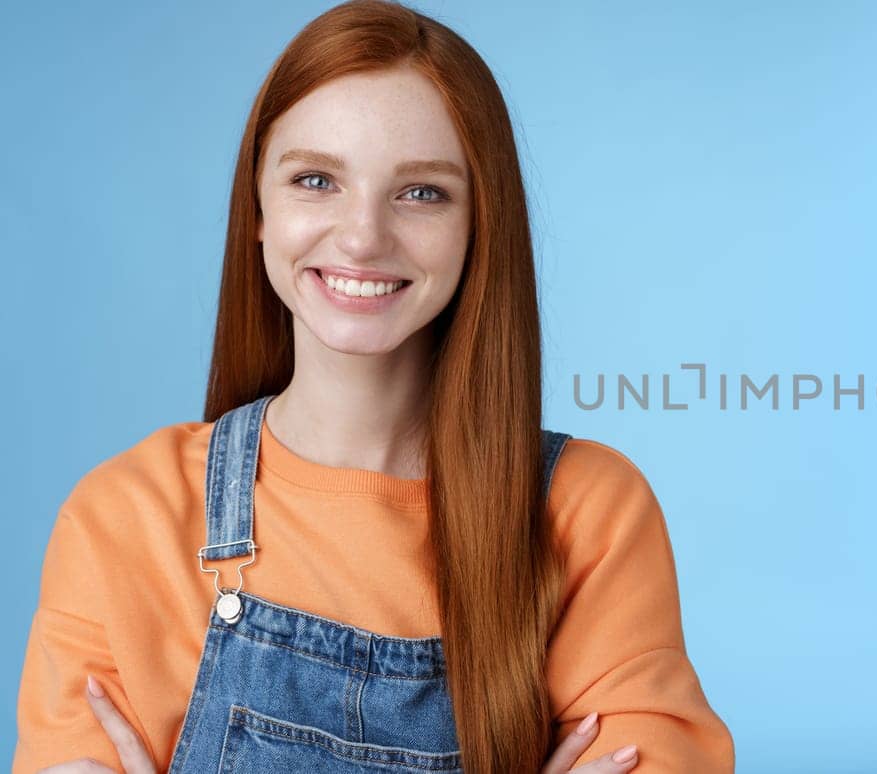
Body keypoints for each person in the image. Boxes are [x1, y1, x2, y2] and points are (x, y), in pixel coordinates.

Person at [11, 1, 735, 771]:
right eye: (316, 179)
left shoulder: (587, 515)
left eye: (422, 192)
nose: (362, 237)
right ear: (257, 207)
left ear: (478, 225)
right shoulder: (123, 519)